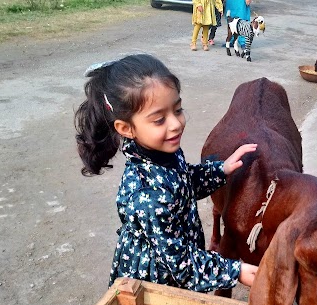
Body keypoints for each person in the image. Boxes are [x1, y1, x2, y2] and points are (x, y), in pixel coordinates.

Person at [75, 54, 259, 292]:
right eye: (159, 119)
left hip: (175, 260)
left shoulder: (160, 151)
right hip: (156, 282)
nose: (176, 124)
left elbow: (183, 183)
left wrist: (220, 170)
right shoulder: (147, 196)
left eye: (178, 109)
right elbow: (181, 266)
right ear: (126, 128)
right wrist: (235, 271)